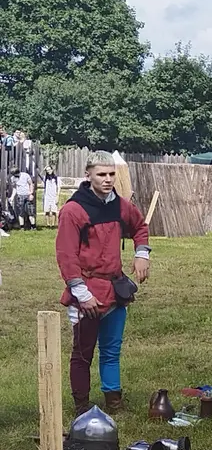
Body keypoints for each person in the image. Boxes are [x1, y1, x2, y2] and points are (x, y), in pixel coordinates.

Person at [56, 152, 151, 416]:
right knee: (83, 353)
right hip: (87, 292)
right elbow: (66, 256)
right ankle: (82, 406)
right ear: (88, 175)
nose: (108, 180)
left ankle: (114, 402)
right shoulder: (73, 211)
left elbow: (140, 226)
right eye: (102, 174)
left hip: (115, 289)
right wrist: (81, 293)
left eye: (111, 174)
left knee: (111, 350)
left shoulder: (120, 205)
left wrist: (142, 253)